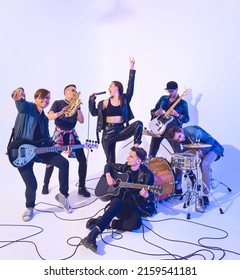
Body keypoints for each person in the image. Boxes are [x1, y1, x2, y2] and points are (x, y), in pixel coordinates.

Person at [10, 87, 72, 222]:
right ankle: (30, 207)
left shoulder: (44, 118)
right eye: (42, 97)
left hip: (38, 151)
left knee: (63, 163)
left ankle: (63, 195)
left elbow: (47, 138)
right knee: (32, 185)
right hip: (22, 152)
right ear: (35, 99)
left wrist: (57, 146)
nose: (45, 100)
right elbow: (20, 103)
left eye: (48, 97)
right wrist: (19, 93)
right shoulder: (27, 108)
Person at [81, 146, 156, 253]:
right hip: (119, 201)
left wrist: (146, 196)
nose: (127, 158)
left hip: (133, 205)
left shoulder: (148, 175)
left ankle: (104, 222)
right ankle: (91, 237)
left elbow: (151, 198)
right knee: (116, 202)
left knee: (136, 224)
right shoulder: (126, 167)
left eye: (131, 156)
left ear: (139, 160)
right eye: (129, 155)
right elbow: (108, 165)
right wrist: (108, 176)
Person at [88, 57, 143, 164]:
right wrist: (91, 100)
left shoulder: (125, 99)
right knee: (110, 161)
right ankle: (110, 178)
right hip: (108, 133)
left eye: (111, 86)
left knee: (138, 124)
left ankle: (136, 145)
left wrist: (131, 69)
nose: (109, 88)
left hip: (121, 130)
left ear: (117, 88)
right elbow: (94, 113)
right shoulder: (104, 102)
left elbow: (130, 87)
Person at [42, 84, 90, 197]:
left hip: (72, 134)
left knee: (82, 160)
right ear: (66, 92)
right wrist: (61, 112)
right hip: (59, 134)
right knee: (50, 161)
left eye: (76, 91)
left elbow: (82, 121)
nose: (75, 92)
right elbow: (49, 117)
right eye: (72, 90)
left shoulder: (76, 104)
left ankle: (82, 187)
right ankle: (45, 184)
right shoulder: (58, 103)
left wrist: (77, 107)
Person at [148, 81, 190, 194]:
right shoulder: (163, 99)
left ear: (177, 89)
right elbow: (153, 111)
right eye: (168, 91)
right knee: (151, 154)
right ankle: (150, 183)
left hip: (174, 133)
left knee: (177, 157)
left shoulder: (182, 103)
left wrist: (177, 115)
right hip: (159, 130)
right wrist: (155, 112)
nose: (170, 93)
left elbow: (186, 119)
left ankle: (178, 186)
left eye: (172, 91)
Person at [168, 125, 224, 206]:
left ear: (181, 130)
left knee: (204, 164)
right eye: (178, 139)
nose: (181, 139)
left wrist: (203, 150)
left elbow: (210, 140)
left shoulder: (195, 131)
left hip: (214, 148)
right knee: (182, 158)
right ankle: (192, 178)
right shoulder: (181, 138)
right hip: (200, 149)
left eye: (180, 136)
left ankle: (205, 196)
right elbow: (189, 147)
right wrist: (179, 154)